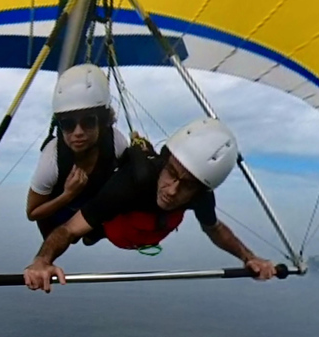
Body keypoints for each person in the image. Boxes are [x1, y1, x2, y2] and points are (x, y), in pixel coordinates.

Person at [23, 118, 278, 292]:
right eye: (172, 174)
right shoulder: (130, 184)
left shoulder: (200, 195)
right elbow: (68, 229)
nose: (172, 190)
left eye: (187, 185)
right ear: (163, 163)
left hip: (146, 232)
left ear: (201, 189)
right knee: (89, 229)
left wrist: (250, 258)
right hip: (113, 224)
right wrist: (42, 260)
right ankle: (95, 234)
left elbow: (214, 228)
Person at [27, 64, 129, 239]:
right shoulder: (52, 159)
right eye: (68, 124)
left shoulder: (116, 142)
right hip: (60, 212)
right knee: (62, 236)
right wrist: (68, 194)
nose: (78, 132)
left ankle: (94, 233)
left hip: (92, 206)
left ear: (102, 122)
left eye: (88, 122)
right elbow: (33, 213)